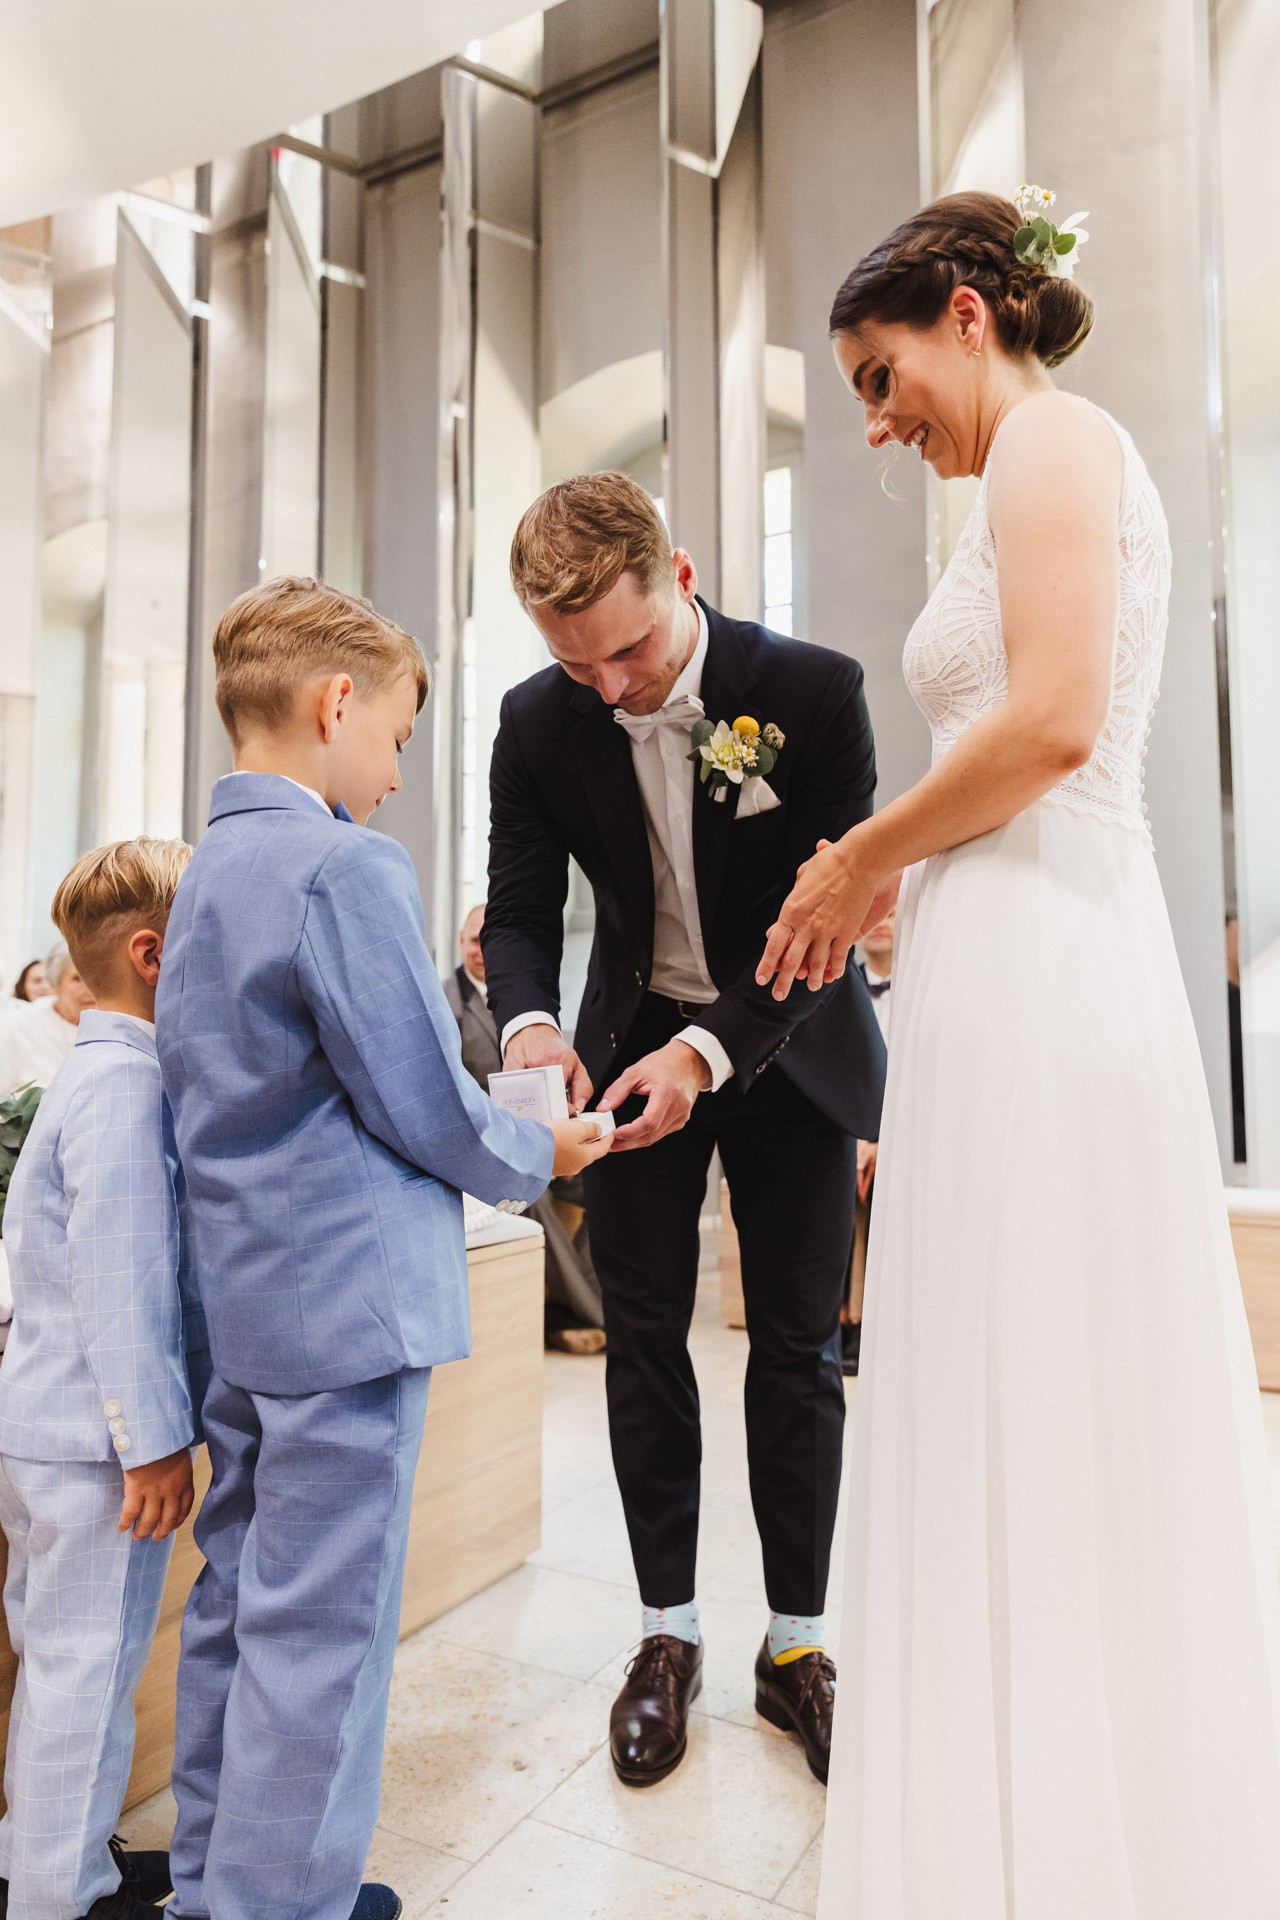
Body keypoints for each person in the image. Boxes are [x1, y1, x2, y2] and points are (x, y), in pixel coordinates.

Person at [756, 190, 1280, 1916]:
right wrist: (920, 892)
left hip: (1055, 975)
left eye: (878, 369)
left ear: (968, 316)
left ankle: (1057, 1846)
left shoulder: (1059, 444)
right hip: (1010, 960)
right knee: (1002, 1383)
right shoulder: (1012, 481)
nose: (876, 417)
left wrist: (858, 859)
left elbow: (1053, 721)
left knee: (1039, 1383)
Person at [156, 576, 611, 1920]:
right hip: (348, 1312)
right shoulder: (343, 865)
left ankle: (210, 1882)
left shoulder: (203, 876)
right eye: (399, 737)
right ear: (334, 702)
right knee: (326, 1635)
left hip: (245, 1305)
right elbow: (417, 1092)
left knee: (242, 1608)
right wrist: (545, 1152)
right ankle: (276, 1904)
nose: (398, 773)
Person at [484, 472, 887, 1788]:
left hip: (788, 1043)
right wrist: (533, 1021)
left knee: (796, 1351)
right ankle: (665, 1635)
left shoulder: (813, 693)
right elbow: (525, 905)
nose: (611, 686)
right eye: (576, 662)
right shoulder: (538, 722)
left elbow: (818, 929)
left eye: (632, 650)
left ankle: (796, 1645)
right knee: (641, 1341)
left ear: (685, 577)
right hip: (623, 1057)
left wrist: (705, 1053)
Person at [0, 837, 210, 1920]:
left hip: (44, 1429)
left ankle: (36, 1859)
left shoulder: (89, 1071)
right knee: (85, 1683)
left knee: (56, 1670)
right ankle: (60, 1898)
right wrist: (157, 1441)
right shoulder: (127, 1086)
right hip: (95, 1446)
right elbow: (122, 1280)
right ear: (153, 955)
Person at [444, 903, 607, 1353]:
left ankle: (563, 1308)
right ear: (461, 942)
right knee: (530, 1200)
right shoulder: (443, 1004)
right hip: (486, 1148)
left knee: (600, 1183)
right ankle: (595, 1310)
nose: (480, 951)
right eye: (473, 940)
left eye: (486, 940)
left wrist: (562, 1138)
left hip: (539, 1133)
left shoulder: (525, 1002)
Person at [842, 904, 894, 1377]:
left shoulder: (922, 989)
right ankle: (839, 1323)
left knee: (879, 1189)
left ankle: (872, 1326)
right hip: (850, 1130)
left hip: (898, 1138)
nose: (880, 920)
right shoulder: (843, 990)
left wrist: (882, 1143)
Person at [0, 943, 96, 1095]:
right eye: (78, 979)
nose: (90, 988)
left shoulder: (113, 1028)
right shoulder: (16, 1026)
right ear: (55, 984)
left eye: (97, 978)